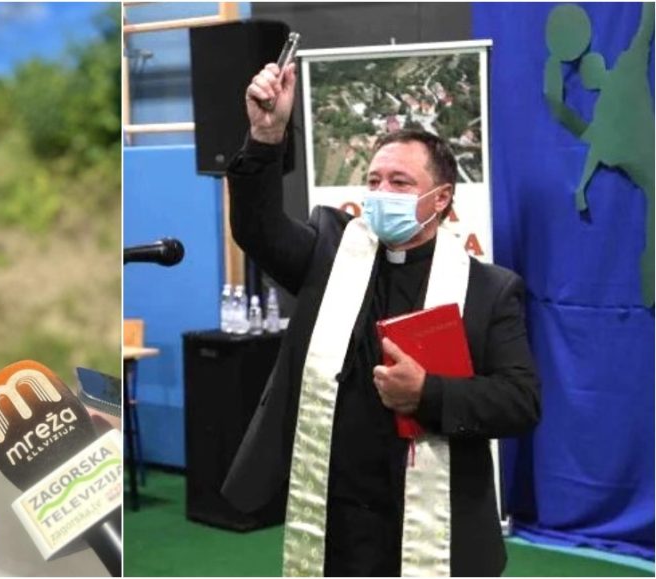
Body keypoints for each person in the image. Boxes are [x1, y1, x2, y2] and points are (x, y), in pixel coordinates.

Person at [221, 61, 540, 576]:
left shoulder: (489, 289)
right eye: (373, 180)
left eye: (399, 181)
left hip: (438, 526)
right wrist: (265, 136)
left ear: (441, 200)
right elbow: (257, 228)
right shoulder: (328, 250)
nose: (380, 193)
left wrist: (428, 394)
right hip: (336, 518)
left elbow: (521, 402)